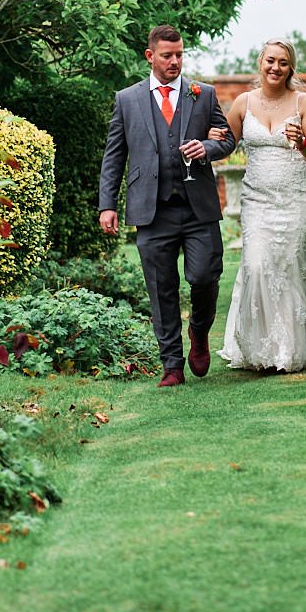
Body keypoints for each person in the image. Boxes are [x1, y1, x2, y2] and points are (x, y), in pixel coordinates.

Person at [98, 25, 236, 388]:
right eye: (167, 56)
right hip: (151, 208)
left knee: (205, 275)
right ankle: (172, 366)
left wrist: (207, 148)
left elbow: (227, 139)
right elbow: (114, 156)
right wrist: (106, 205)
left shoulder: (202, 94)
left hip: (197, 208)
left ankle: (200, 331)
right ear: (150, 56)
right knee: (161, 288)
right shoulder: (127, 100)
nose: (175, 61)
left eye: (179, 55)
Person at [214, 38, 306, 372]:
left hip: (299, 199)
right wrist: (211, 139)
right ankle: (261, 350)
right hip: (257, 200)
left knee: (292, 266)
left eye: (283, 62)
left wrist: (301, 143)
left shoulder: (304, 103)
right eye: (271, 60)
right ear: (260, 62)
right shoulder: (242, 102)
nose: (275, 67)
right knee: (256, 266)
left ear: (290, 67)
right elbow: (226, 145)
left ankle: (291, 351)